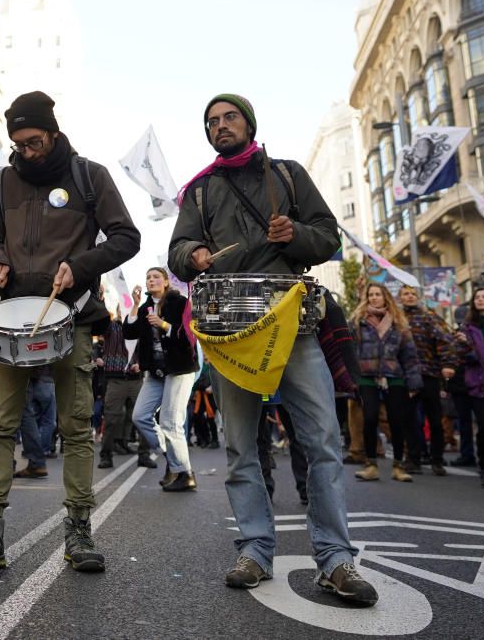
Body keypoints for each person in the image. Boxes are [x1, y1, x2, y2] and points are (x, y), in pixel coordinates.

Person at [168, 93, 377, 604]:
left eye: (229, 117)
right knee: (241, 447)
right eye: (212, 121)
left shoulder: (287, 174)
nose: (221, 126)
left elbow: (328, 238)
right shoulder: (198, 192)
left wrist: (295, 235)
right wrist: (193, 253)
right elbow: (176, 253)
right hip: (232, 336)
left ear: (249, 123)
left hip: (294, 328)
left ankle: (335, 559)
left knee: (322, 441)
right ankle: (255, 550)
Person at [0, 91, 140, 572]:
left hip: (72, 316)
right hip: (14, 318)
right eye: (18, 144)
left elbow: (126, 237)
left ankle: (79, 530)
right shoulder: (2, 182)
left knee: (76, 427)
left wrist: (79, 268)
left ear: (53, 133)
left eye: (34, 142)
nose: (27, 152)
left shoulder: (88, 176)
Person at [122, 268, 199, 490]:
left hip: (179, 369)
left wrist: (164, 325)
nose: (151, 280)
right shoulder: (145, 306)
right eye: (148, 277)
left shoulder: (180, 303)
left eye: (156, 277)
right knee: (140, 416)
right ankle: (172, 458)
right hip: (156, 372)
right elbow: (129, 333)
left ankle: (185, 474)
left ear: (165, 282)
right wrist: (135, 305)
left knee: (170, 422)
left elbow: (189, 335)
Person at [349, 283, 422, 483]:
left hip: (394, 375)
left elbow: (409, 354)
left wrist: (414, 382)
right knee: (370, 417)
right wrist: (349, 379)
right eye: (370, 295)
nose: (374, 298)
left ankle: (398, 465)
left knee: (397, 420)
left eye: (377, 294)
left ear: (385, 297)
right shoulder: (357, 320)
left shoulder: (398, 321)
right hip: (366, 375)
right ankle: (371, 464)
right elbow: (349, 349)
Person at [397, 285, 456, 475]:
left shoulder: (429, 317)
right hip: (406, 375)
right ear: (400, 298)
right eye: (406, 294)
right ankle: (413, 459)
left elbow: (445, 341)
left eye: (413, 294)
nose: (410, 297)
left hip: (429, 374)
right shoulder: (396, 319)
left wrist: (448, 364)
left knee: (435, 419)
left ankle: (437, 460)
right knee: (409, 418)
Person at [96, 306, 149, 469]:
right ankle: (106, 456)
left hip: (136, 380)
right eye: (122, 310)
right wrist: (101, 298)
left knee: (142, 419)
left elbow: (147, 349)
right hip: (116, 380)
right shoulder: (111, 327)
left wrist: (142, 364)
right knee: (111, 419)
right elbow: (100, 318)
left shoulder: (140, 327)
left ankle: (144, 455)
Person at [455, 288, 484, 488]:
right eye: (477, 297)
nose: (481, 300)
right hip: (480, 383)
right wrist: (476, 356)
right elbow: (462, 354)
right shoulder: (468, 328)